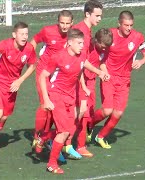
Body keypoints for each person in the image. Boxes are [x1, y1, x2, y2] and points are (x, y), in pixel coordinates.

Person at [39, 29, 106, 174]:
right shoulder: (58, 57)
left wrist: (98, 72)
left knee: (69, 130)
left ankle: (45, 137)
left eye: (83, 43)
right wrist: (46, 99)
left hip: (71, 96)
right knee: (63, 132)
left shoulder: (81, 55)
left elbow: (84, 64)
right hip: (56, 95)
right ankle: (51, 164)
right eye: (79, 43)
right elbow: (42, 76)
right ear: (69, 43)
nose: (82, 46)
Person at [90, 10, 145, 149]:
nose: (129, 28)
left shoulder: (137, 37)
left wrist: (141, 62)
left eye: (131, 25)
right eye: (126, 25)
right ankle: (89, 125)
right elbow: (97, 52)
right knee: (107, 110)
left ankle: (100, 136)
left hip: (124, 80)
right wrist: (102, 69)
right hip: (109, 77)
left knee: (118, 113)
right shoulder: (109, 35)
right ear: (119, 23)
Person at [0, 22, 37, 155]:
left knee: (3, 119)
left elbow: (33, 65)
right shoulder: (5, 45)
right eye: (21, 34)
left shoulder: (29, 49)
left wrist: (20, 80)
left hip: (12, 86)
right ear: (14, 35)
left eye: (26, 34)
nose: (24, 37)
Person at [30, 10, 73, 156]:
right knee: (45, 105)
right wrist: (30, 58)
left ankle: (47, 136)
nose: (64, 26)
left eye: (67, 23)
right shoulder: (48, 31)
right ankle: (37, 136)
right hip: (43, 72)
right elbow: (34, 40)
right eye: (62, 23)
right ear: (58, 22)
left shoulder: (72, 37)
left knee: (56, 108)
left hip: (58, 75)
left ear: (71, 23)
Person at [71, 0, 103, 158]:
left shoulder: (87, 30)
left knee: (84, 111)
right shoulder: (80, 31)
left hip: (87, 78)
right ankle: (77, 145)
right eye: (97, 16)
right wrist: (98, 71)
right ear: (87, 14)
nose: (99, 19)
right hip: (79, 78)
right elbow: (81, 61)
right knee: (80, 111)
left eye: (100, 16)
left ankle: (72, 143)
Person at [75, 28, 113, 157]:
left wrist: (105, 72)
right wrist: (98, 73)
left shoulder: (104, 48)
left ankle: (74, 139)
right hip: (80, 81)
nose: (104, 49)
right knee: (82, 113)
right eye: (102, 46)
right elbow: (82, 64)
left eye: (106, 47)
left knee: (88, 113)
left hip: (91, 81)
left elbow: (101, 61)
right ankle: (79, 146)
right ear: (96, 40)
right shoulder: (87, 47)